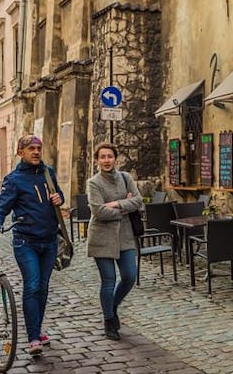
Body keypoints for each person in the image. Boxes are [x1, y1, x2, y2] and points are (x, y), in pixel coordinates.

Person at [0, 135, 64, 355]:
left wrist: (59, 198)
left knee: (43, 287)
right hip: (26, 242)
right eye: (31, 148)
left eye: (39, 148)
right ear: (20, 152)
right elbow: (2, 207)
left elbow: (59, 197)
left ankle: (37, 329)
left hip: (49, 241)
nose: (36, 152)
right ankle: (33, 338)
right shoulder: (14, 179)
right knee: (32, 285)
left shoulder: (48, 173)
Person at [85, 143, 142, 340]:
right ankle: (109, 320)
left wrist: (117, 204)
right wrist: (125, 208)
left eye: (110, 156)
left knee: (129, 276)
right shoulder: (94, 182)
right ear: (97, 160)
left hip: (125, 235)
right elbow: (98, 211)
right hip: (101, 237)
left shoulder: (125, 178)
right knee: (108, 281)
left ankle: (113, 305)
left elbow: (138, 200)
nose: (107, 160)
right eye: (102, 157)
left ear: (115, 159)